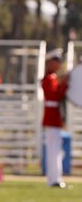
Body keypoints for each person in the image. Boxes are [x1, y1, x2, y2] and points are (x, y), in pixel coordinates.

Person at [41, 48, 68, 188]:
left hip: (54, 118)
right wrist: (64, 84)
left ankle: (55, 178)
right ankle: (54, 179)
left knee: (56, 150)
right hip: (51, 118)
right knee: (54, 151)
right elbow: (55, 96)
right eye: (57, 61)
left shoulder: (52, 78)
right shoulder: (49, 78)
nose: (59, 64)